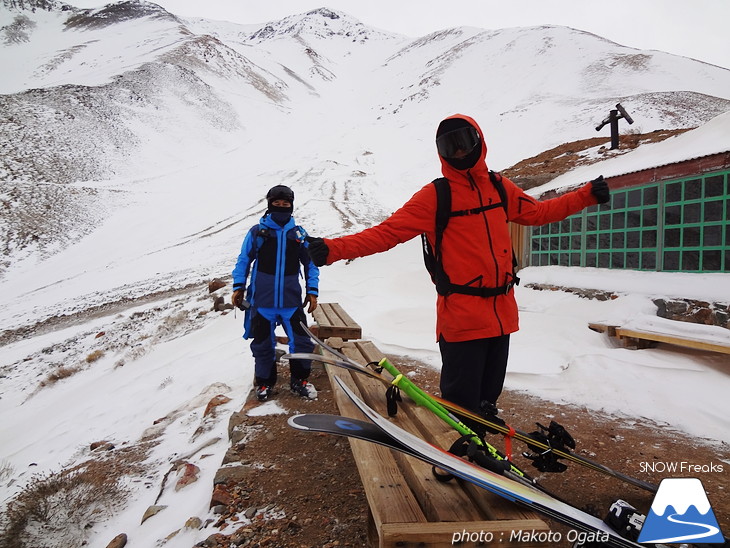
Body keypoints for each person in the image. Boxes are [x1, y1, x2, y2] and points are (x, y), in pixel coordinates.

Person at [307, 114, 609, 419]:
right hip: (462, 320)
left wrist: (585, 196)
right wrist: (333, 249)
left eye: (464, 142)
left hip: (501, 315)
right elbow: (386, 234)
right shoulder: (436, 196)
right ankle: (456, 461)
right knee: (461, 407)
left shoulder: (499, 187)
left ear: (478, 141)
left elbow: (539, 213)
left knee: (487, 403)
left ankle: (479, 455)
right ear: (442, 153)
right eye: (451, 146)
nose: (461, 152)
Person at [232, 185, 320, 401]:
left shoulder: (298, 234)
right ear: (269, 204)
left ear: (291, 205)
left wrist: (312, 290)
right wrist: (238, 286)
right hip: (262, 302)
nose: (281, 207)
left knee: (302, 343)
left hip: (291, 302)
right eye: (276, 203)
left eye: (285, 204)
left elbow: (311, 264)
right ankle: (264, 383)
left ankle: (300, 380)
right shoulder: (258, 232)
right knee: (262, 345)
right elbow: (244, 260)